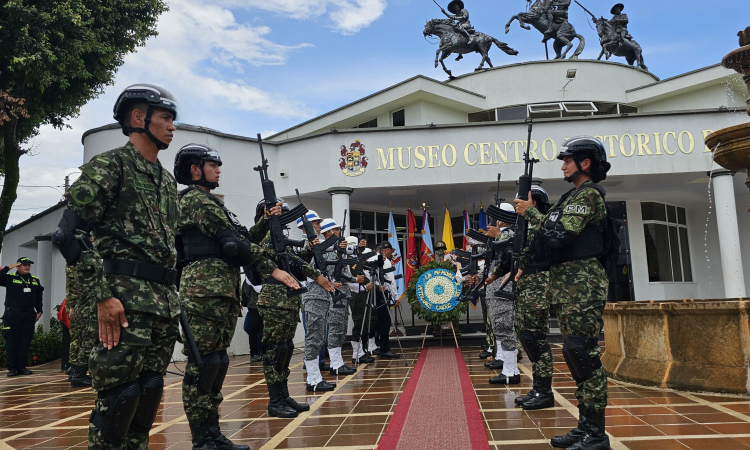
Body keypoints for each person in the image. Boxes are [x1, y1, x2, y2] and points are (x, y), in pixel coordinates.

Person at [53, 84, 180, 450]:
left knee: (148, 394)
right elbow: (68, 235)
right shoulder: (110, 166)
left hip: (161, 305)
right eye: (166, 118)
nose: (173, 127)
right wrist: (102, 296)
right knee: (118, 401)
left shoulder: (167, 181)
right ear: (139, 118)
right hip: (123, 302)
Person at [174, 144, 299, 450]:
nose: (218, 169)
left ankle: (212, 432)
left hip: (220, 292)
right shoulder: (195, 200)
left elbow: (243, 238)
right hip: (202, 292)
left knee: (217, 362)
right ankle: (202, 438)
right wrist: (273, 269)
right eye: (212, 164)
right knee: (203, 364)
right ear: (195, 169)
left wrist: (267, 220)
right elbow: (233, 245)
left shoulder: (214, 204)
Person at [514, 136, 612, 450]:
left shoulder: (588, 196)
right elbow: (548, 238)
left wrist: (531, 213)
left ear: (585, 163)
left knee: (583, 352)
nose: (563, 165)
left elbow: (559, 234)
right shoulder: (570, 197)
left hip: (582, 282)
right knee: (574, 353)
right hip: (567, 283)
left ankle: (596, 436)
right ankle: (585, 428)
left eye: (568, 160)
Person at [257, 216, 333, 417]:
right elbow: (290, 261)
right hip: (274, 301)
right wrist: (316, 274)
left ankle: (283, 396)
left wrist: (308, 251)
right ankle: (275, 400)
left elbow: (296, 264)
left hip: (287, 300)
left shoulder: (279, 240)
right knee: (274, 351)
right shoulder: (267, 238)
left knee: (286, 349)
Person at [497, 187, 555, 409]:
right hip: (524, 285)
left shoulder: (544, 222)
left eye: (523, 201)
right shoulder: (524, 225)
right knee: (527, 337)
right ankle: (539, 389)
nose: (518, 205)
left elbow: (548, 241)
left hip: (538, 282)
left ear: (535, 203)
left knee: (535, 338)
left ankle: (544, 391)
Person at [483, 205, 520, 384]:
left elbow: (513, 251)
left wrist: (498, 235)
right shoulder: (499, 233)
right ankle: (506, 365)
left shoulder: (514, 232)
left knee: (505, 327)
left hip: (505, 286)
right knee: (498, 327)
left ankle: (511, 371)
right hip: (494, 285)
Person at [0, 257, 43, 377]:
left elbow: (38, 295)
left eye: (28, 264)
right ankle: (12, 368)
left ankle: (21, 366)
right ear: (18, 266)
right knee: (12, 342)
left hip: (28, 314)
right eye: (24, 265)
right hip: (12, 314)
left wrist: (39, 310)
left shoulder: (34, 280)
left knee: (25, 341)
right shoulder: (10, 278)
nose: (27, 267)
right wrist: (9, 267)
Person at [363, 242, 401, 360]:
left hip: (369, 291)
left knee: (374, 321)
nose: (391, 252)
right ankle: (385, 349)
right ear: (386, 250)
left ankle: (371, 346)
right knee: (385, 321)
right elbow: (390, 280)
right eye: (390, 250)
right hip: (380, 292)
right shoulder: (384, 260)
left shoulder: (367, 260)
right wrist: (395, 296)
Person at [65, 254, 94, 387]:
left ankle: (78, 372)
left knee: (84, 340)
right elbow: (72, 289)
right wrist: (71, 306)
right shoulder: (82, 264)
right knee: (85, 340)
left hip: (84, 307)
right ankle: (78, 373)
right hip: (85, 308)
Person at [241, 276, 264, 363]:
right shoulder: (251, 275)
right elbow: (250, 289)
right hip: (254, 306)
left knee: (262, 329)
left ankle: (261, 351)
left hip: (264, 305)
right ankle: (255, 353)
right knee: (252, 330)